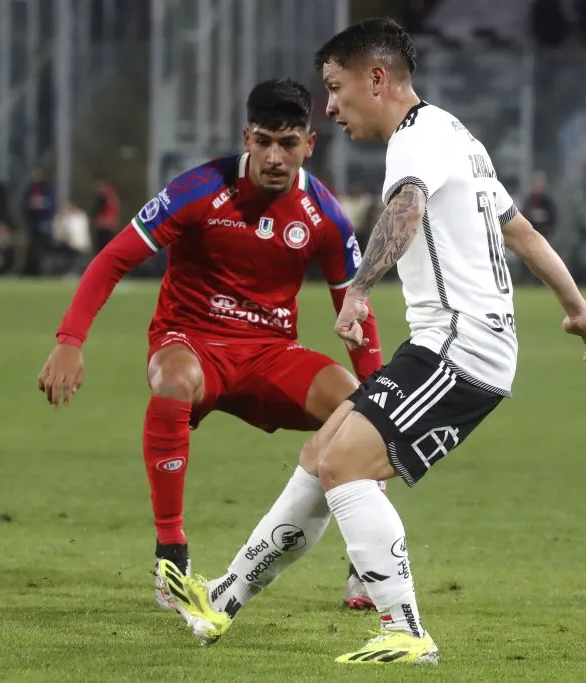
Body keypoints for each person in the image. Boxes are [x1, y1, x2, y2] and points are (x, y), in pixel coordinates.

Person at [158, 18, 586, 665]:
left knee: (347, 465)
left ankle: (406, 627)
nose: (331, 108)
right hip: (452, 344)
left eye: (336, 89)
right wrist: (577, 308)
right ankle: (223, 599)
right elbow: (521, 232)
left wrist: (362, 289)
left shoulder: (415, 141)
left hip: (463, 347)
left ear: (377, 77)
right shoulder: (457, 136)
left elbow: (407, 207)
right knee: (321, 452)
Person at [37, 78, 386, 612]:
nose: (274, 156)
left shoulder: (325, 215)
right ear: (247, 136)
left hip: (270, 353)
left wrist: (380, 385)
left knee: (363, 411)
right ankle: (171, 556)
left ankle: (367, 565)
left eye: (288, 143)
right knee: (174, 382)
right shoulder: (198, 190)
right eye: (264, 141)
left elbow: (357, 308)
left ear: (309, 144)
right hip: (191, 342)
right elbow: (113, 259)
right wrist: (69, 340)